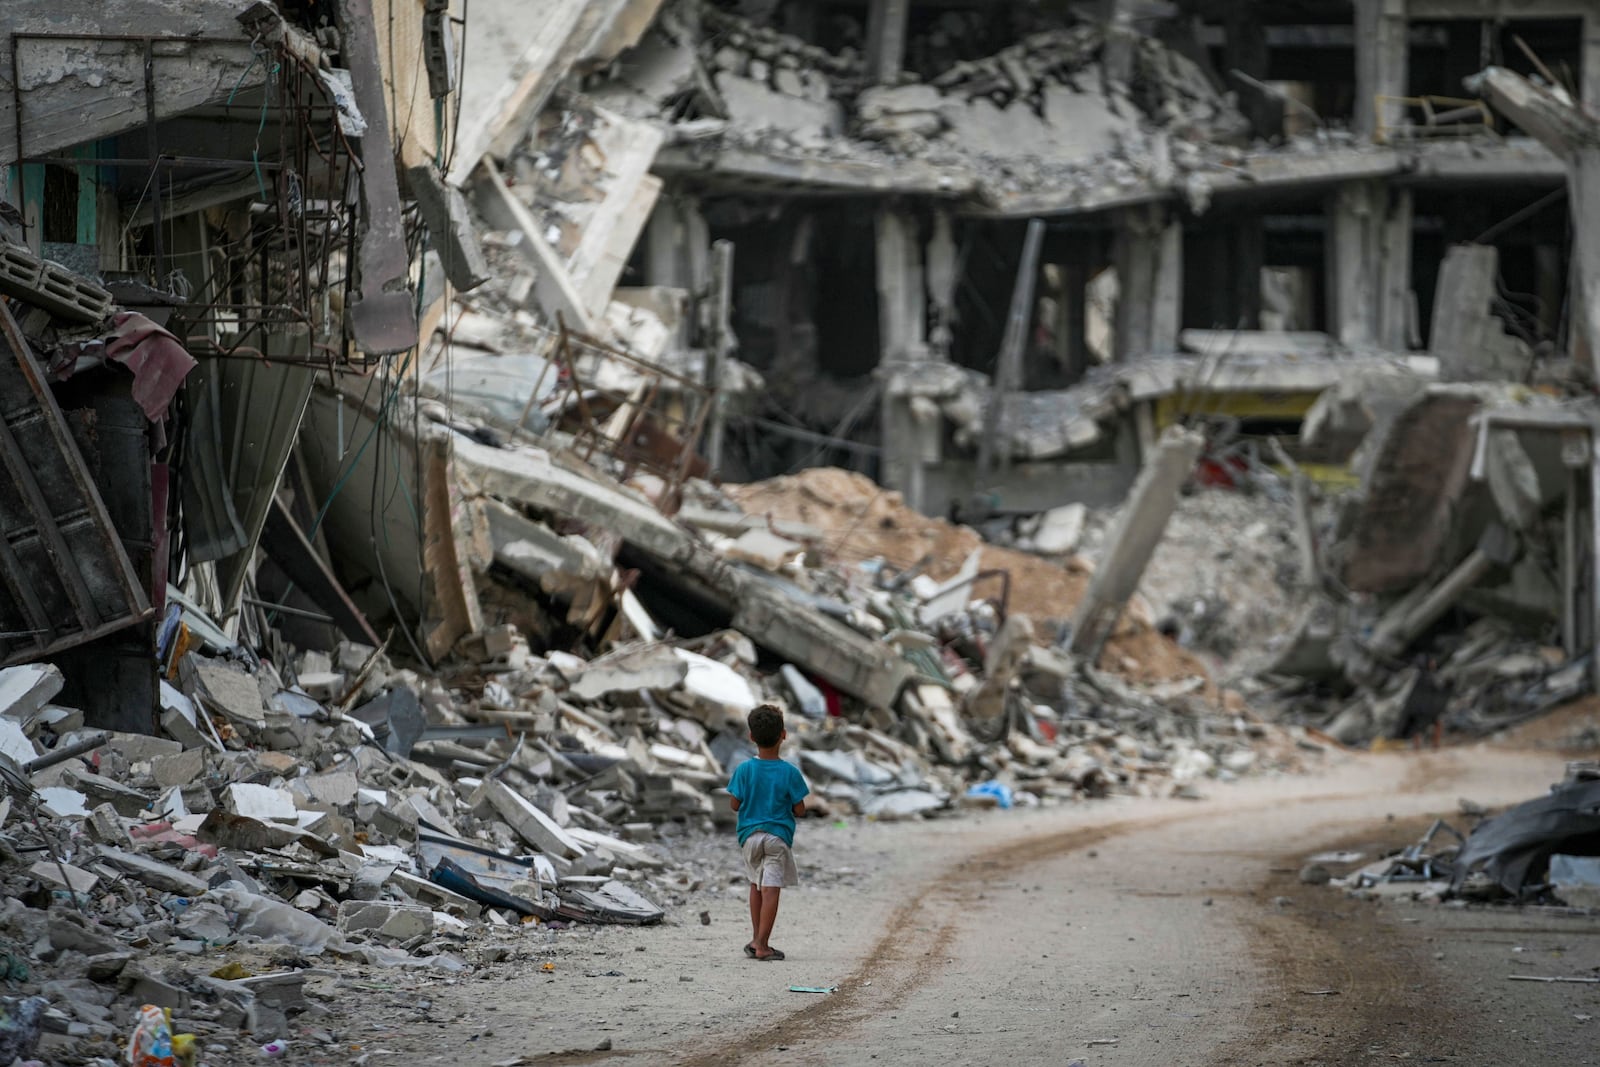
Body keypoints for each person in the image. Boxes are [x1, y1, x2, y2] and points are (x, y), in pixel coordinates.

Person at [727, 704, 810, 961]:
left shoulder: (744, 770)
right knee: (772, 889)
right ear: (783, 734)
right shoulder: (790, 772)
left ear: (751, 737)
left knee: (756, 884)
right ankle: (763, 946)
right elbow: (800, 809)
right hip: (776, 836)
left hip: (750, 837)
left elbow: (734, 804)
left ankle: (755, 939)